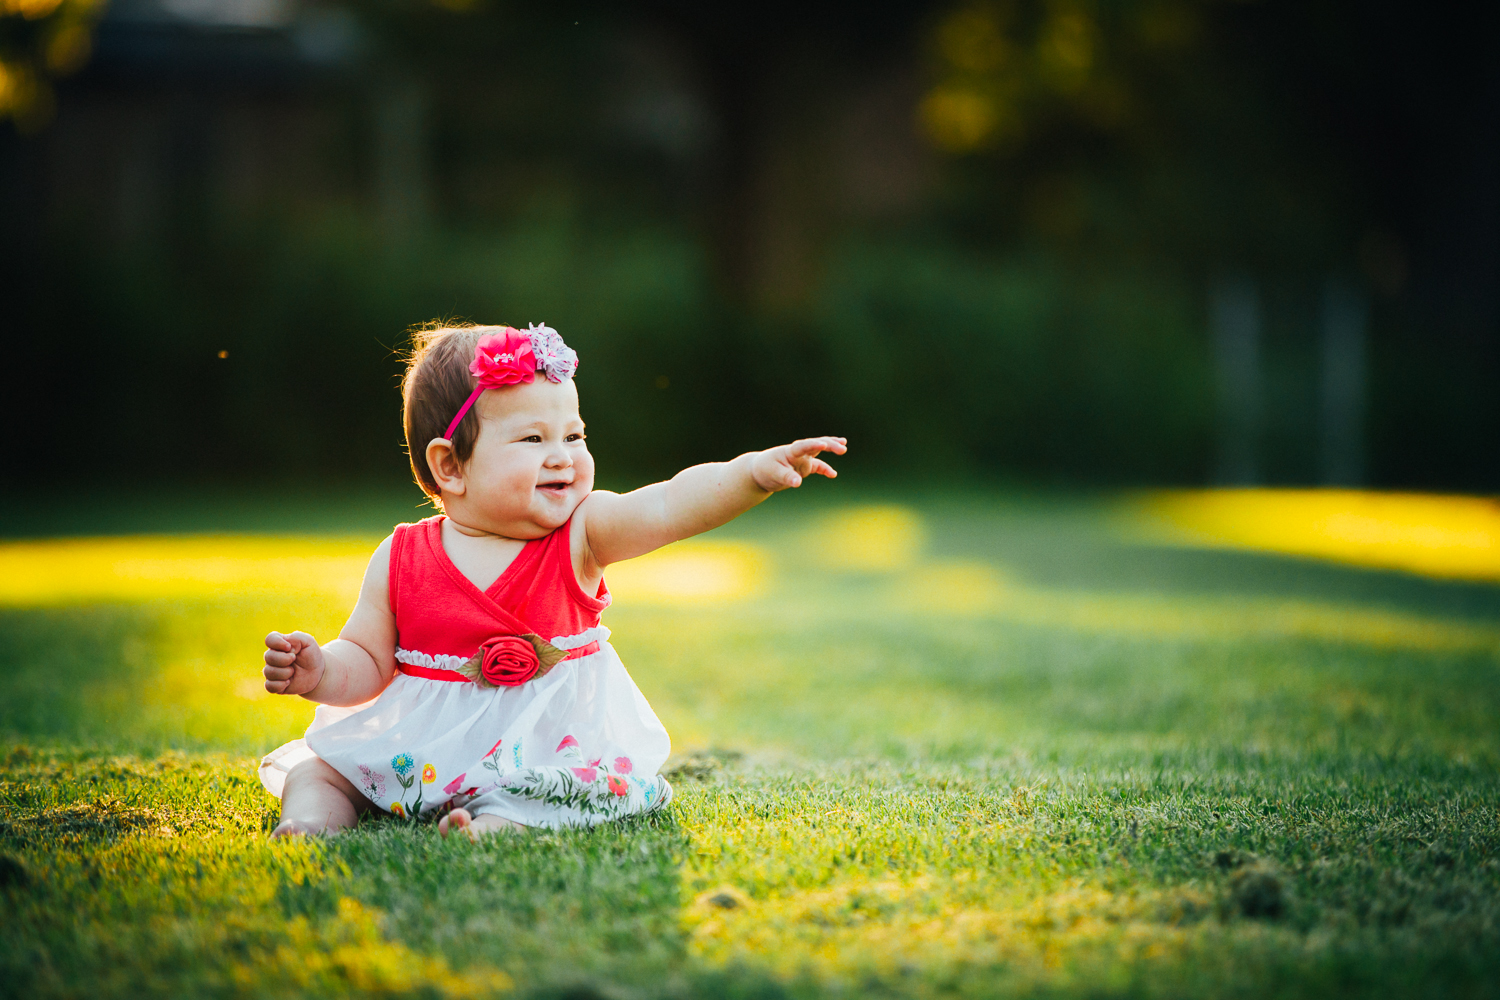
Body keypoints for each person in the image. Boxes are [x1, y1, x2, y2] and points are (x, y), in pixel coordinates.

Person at [256, 322, 845, 839]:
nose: (563, 456)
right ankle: (310, 822)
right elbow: (367, 658)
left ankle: (493, 826)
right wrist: (322, 671)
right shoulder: (402, 555)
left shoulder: (581, 535)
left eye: (575, 435)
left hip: (540, 747)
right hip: (426, 747)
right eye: (534, 439)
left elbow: (667, 505)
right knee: (323, 765)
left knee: (565, 785)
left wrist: (750, 475)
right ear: (450, 466)